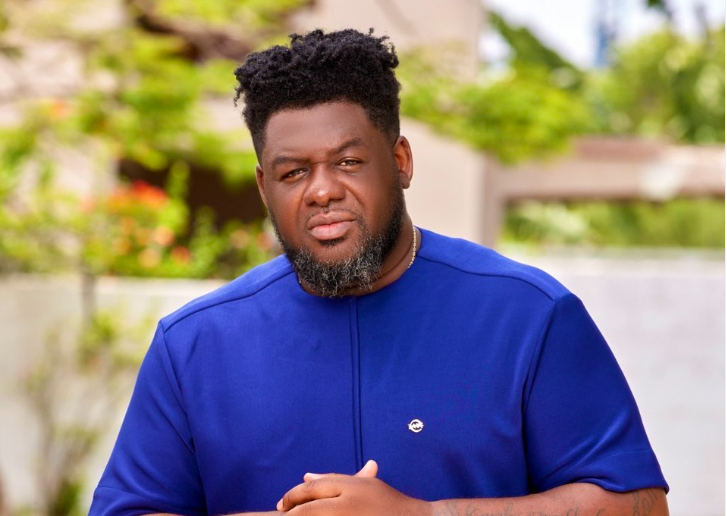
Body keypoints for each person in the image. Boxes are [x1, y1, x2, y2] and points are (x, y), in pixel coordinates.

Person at [89, 28, 669, 516]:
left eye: (348, 161)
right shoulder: (192, 344)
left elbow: (639, 504)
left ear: (400, 162)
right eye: (293, 173)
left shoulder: (529, 315)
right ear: (265, 188)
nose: (322, 191)